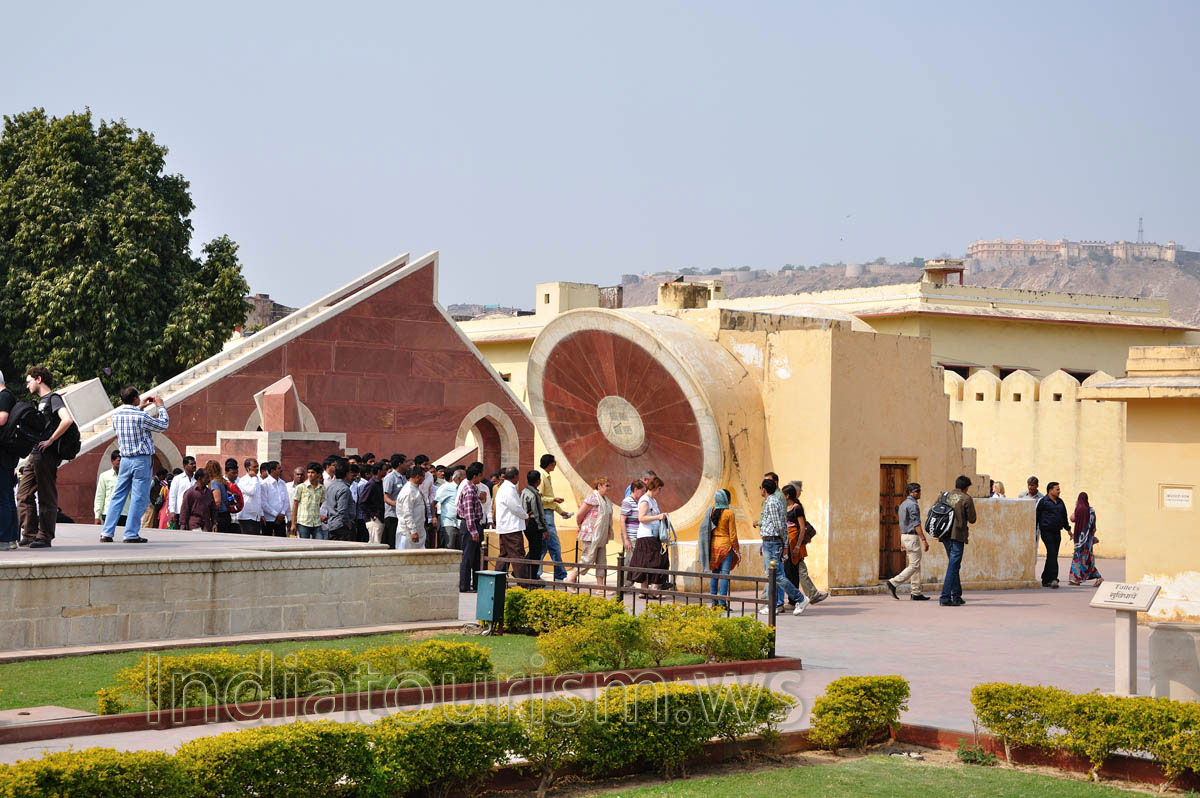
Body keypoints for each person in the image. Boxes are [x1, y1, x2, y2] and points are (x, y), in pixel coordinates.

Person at [100, 386, 169, 543]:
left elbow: (129, 416)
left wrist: (139, 407)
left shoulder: (116, 415)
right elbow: (163, 425)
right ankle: (130, 533)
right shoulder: (140, 417)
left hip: (125, 459)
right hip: (141, 460)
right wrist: (160, 406)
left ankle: (106, 532)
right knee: (138, 497)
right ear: (135, 399)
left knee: (118, 495)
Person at [17, 366, 76, 548]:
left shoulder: (53, 398)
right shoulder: (42, 401)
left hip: (47, 454)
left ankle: (44, 536)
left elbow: (67, 419)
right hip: (36, 453)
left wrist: (50, 440)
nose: (27, 386)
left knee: (46, 494)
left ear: (39, 379)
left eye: (29, 381)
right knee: (23, 494)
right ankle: (29, 534)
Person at [753, 479, 808, 615]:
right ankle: (774, 605)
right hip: (770, 541)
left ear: (764, 490)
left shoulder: (771, 502)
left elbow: (779, 525)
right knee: (775, 575)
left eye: (760, 488)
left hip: (772, 542)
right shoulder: (774, 501)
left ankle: (800, 598)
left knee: (775, 575)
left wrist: (784, 544)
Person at [783, 482, 828, 604]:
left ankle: (801, 598)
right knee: (790, 572)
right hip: (787, 542)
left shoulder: (797, 508)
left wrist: (798, 545)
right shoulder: (784, 508)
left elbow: (802, 528)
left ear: (787, 496)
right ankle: (798, 598)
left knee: (798, 569)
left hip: (795, 542)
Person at [884, 482, 930, 601]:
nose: (919, 493)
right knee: (914, 565)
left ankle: (916, 592)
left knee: (915, 565)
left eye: (919, 490)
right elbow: (916, 524)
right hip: (912, 537)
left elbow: (902, 523)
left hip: (905, 536)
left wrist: (902, 541)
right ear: (911, 493)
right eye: (917, 491)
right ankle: (893, 582)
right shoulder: (913, 505)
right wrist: (924, 540)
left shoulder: (903, 504)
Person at [566, 477, 614, 584]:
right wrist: (580, 525)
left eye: (609, 486)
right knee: (588, 559)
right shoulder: (592, 498)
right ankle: (571, 577)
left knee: (602, 561)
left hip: (601, 535)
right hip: (590, 534)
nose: (608, 488)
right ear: (599, 486)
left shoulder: (606, 501)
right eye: (606, 485)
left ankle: (600, 586)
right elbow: (580, 514)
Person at [698, 488, 740, 609]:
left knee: (715, 573)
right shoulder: (729, 513)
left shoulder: (711, 511)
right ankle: (722, 602)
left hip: (714, 546)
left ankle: (713, 601)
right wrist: (737, 549)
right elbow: (733, 534)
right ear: (726, 499)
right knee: (725, 574)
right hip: (726, 546)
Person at [629, 476, 672, 591]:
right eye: (659, 488)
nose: (660, 491)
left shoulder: (653, 500)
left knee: (651, 562)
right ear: (655, 487)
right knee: (651, 562)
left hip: (653, 535)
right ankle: (649, 590)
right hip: (646, 535)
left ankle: (649, 590)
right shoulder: (645, 500)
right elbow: (641, 518)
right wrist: (658, 516)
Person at [940, 475, 977, 606]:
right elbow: (972, 519)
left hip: (944, 534)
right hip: (957, 535)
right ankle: (945, 597)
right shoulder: (966, 498)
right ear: (966, 487)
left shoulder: (945, 496)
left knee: (954, 565)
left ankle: (956, 595)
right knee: (953, 566)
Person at [536, 454, 571, 581]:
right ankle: (560, 574)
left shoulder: (546, 476)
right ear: (550, 464)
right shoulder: (542, 476)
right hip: (545, 514)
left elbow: (549, 500)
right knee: (554, 545)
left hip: (548, 512)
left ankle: (535, 572)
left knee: (543, 547)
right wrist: (553, 499)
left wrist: (561, 512)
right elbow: (539, 498)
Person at [494, 466, 529, 576]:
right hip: (511, 527)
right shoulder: (508, 489)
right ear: (514, 476)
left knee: (505, 555)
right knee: (517, 555)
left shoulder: (504, 488)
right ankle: (523, 583)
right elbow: (515, 507)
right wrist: (525, 516)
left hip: (506, 527)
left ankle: (496, 581)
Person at [456, 463, 486, 592]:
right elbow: (468, 513)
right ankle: (464, 585)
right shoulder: (469, 490)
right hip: (470, 526)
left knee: (475, 557)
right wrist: (473, 531)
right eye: (480, 475)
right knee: (468, 557)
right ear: (475, 476)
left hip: (474, 525)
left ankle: (475, 584)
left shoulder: (472, 488)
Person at [1036, 481, 1071, 589]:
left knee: (1053, 555)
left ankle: (1045, 579)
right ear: (1050, 490)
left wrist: (1068, 529)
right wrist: (1033, 531)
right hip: (1046, 531)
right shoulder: (1043, 502)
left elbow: (1064, 516)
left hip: (1057, 531)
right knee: (1052, 553)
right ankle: (1054, 579)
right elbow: (1036, 516)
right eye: (1057, 489)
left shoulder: (1060, 502)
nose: (1059, 491)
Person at [0, 372, 20, 550]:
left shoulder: (4, 396)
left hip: (3, 454)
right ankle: (11, 538)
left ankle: (4, 539)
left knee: (2, 497)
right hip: (7, 453)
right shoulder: (8, 395)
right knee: (6, 496)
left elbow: (2, 419)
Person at [1069, 492, 1103, 586]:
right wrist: (1091, 537)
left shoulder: (1079, 509)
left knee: (1078, 558)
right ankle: (1097, 576)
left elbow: (1072, 519)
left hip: (1079, 539)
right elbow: (1093, 526)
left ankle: (1075, 579)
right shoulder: (1091, 511)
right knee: (1086, 559)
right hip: (1088, 541)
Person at [93, 451, 131, 527]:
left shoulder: (129, 477)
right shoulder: (104, 476)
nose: (121, 463)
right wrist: (97, 516)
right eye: (119, 461)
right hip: (108, 513)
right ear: (112, 461)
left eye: (123, 461)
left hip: (125, 514)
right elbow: (100, 496)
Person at [521, 470, 546, 577]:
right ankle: (532, 577)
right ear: (538, 481)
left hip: (525, 522)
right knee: (536, 552)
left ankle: (523, 572)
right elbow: (538, 514)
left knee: (533, 549)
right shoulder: (534, 494)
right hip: (533, 523)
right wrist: (544, 529)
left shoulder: (524, 491)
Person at [290, 462, 325, 539]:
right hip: (303, 522)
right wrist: (293, 523)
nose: (310, 475)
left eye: (312, 472)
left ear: (318, 475)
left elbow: (319, 504)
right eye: (308, 472)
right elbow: (295, 505)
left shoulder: (322, 488)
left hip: (316, 522)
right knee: (304, 544)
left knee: (320, 542)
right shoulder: (301, 487)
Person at [395, 465, 427, 549]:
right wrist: (413, 531)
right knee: (405, 558)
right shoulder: (408, 491)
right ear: (417, 477)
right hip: (408, 532)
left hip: (418, 529)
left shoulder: (416, 489)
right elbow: (407, 513)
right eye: (423, 476)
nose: (424, 479)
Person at [322, 460, 355, 541]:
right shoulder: (344, 489)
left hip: (332, 524)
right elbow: (342, 510)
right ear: (346, 473)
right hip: (341, 526)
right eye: (350, 472)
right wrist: (348, 524)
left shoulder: (331, 486)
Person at [434, 467, 462, 550]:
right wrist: (434, 517)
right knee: (449, 547)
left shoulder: (461, 488)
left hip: (460, 522)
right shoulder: (445, 487)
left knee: (459, 549)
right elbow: (434, 503)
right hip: (449, 522)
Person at [168, 456, 197, 529]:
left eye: (195, 463)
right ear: (185, 466)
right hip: (180, 512)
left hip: (194, 512)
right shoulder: (178, 479)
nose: (194, 465)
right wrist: (172, 511)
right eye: (191, 464)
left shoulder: (197, 479)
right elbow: (172, 495)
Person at [260, 462, 288, 537]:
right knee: (267, 540)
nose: (281, 470)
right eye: (279, 468)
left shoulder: (282, 483)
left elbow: (286, 500)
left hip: (281, 519)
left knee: (282, 541)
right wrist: (276, 514)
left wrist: (282, 513)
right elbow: (263, 503)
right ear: (272, 471)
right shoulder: (264, 484)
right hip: (269, 519)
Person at [382, 454, 404, 549]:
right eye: (405, 462)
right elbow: (386, 498)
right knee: (392, 542)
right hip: (392, 515)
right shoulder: (390, 477)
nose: (407, 465)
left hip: (401, 515)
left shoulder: (403, 478)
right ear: (400, 463)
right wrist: (398, 505)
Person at [362, 463, 386, 545]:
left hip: (379, 517)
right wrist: (373, 515)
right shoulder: (371, 484)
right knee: (375, 543)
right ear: (379, 471)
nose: (385, 471)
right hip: (374, 519)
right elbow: (362, 501)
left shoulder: (380, 483)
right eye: (384, 469)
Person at [236, 458, 262, 535]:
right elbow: (252, 492)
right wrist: (254, 478)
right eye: (254, 467)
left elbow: (259, 498)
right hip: (246, 516)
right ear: (248, 468)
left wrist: (261, 513)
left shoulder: (257, 480)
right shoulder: (243, 480)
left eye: (257, 466)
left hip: (256, 517)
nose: (257, 468)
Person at [619, 480, 645, 553]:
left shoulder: (639, 502)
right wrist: (626, 539)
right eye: (642, 491)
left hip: (638, 535)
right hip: (631, 536)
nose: (643, 494)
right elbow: (622, 520)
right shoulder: (627, 502)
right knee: (631, 558)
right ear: (636, 489)